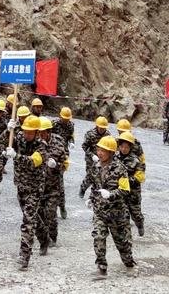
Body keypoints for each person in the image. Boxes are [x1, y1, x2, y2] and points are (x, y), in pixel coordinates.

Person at [3, 115, 48, 270]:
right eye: (25, 131)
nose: (26, 134)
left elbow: (32, 162)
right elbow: (5, 143)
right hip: (21, 186)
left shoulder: (42, 147)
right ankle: (44, 237)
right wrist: (8, 130)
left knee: (28, 221)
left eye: (30, 132)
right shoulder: (20, 138)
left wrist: (16, 156)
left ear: (37, 132)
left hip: (34, 189)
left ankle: (24, 256)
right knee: (32, 217)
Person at [89, 135, 135, 278]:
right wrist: (91, 198)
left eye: (103, 150)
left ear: (111, 152)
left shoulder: (120, 168)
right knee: (98, 237)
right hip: (100, 212)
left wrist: (111, 194)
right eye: (99, 149)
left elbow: (125, 190)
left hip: (117, 213)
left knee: (122, 242)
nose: (100, 153)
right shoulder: (95, 167)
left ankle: (129, 264)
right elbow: (95, 187)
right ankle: (102, 268)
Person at [37, 117, 67, 247]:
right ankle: (44, 236)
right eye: (39, 132)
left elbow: (65, 165)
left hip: (53, 186)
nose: (40, 135)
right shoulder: (35, 144)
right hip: (38, 186)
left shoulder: (58, 145)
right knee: (40, 213)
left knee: (50, 213)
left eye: (43, 132)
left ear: (49, 132)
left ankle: (53, 236)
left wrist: (57, 165)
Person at [116, 131, 146, 237]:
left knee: (135, 214)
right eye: (122, 147)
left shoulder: (136, 160)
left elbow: (140, 177)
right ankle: (125, 236)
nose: (124, 149)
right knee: (123, 214)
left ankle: (140, 224)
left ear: (130, 148)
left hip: (133, 192)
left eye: (126, 147)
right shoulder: (115, 158)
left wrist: (126, 181)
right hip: (121, 192)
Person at [52, 106, 75, 219]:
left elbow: (71, 136)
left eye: (67, 119)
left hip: (63, 155)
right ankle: (51, 208)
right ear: (60, 116)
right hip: (51, 153)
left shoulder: (70, 125)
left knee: (59, 183)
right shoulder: (54, 124)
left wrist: (71, 142)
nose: (66, 121)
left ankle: (62, 206)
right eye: (64, 119)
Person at [80, 116, 111, 197]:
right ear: (97, 126)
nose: (102, 129)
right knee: (90, 176)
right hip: (91, 159)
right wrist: (92, 155)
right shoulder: (90, 134)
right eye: (100, 128)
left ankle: (95, 194)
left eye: (103, 128)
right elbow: (84, 146)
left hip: (103, 158)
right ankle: (83, 188)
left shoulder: (107, 135)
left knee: (100, 176)